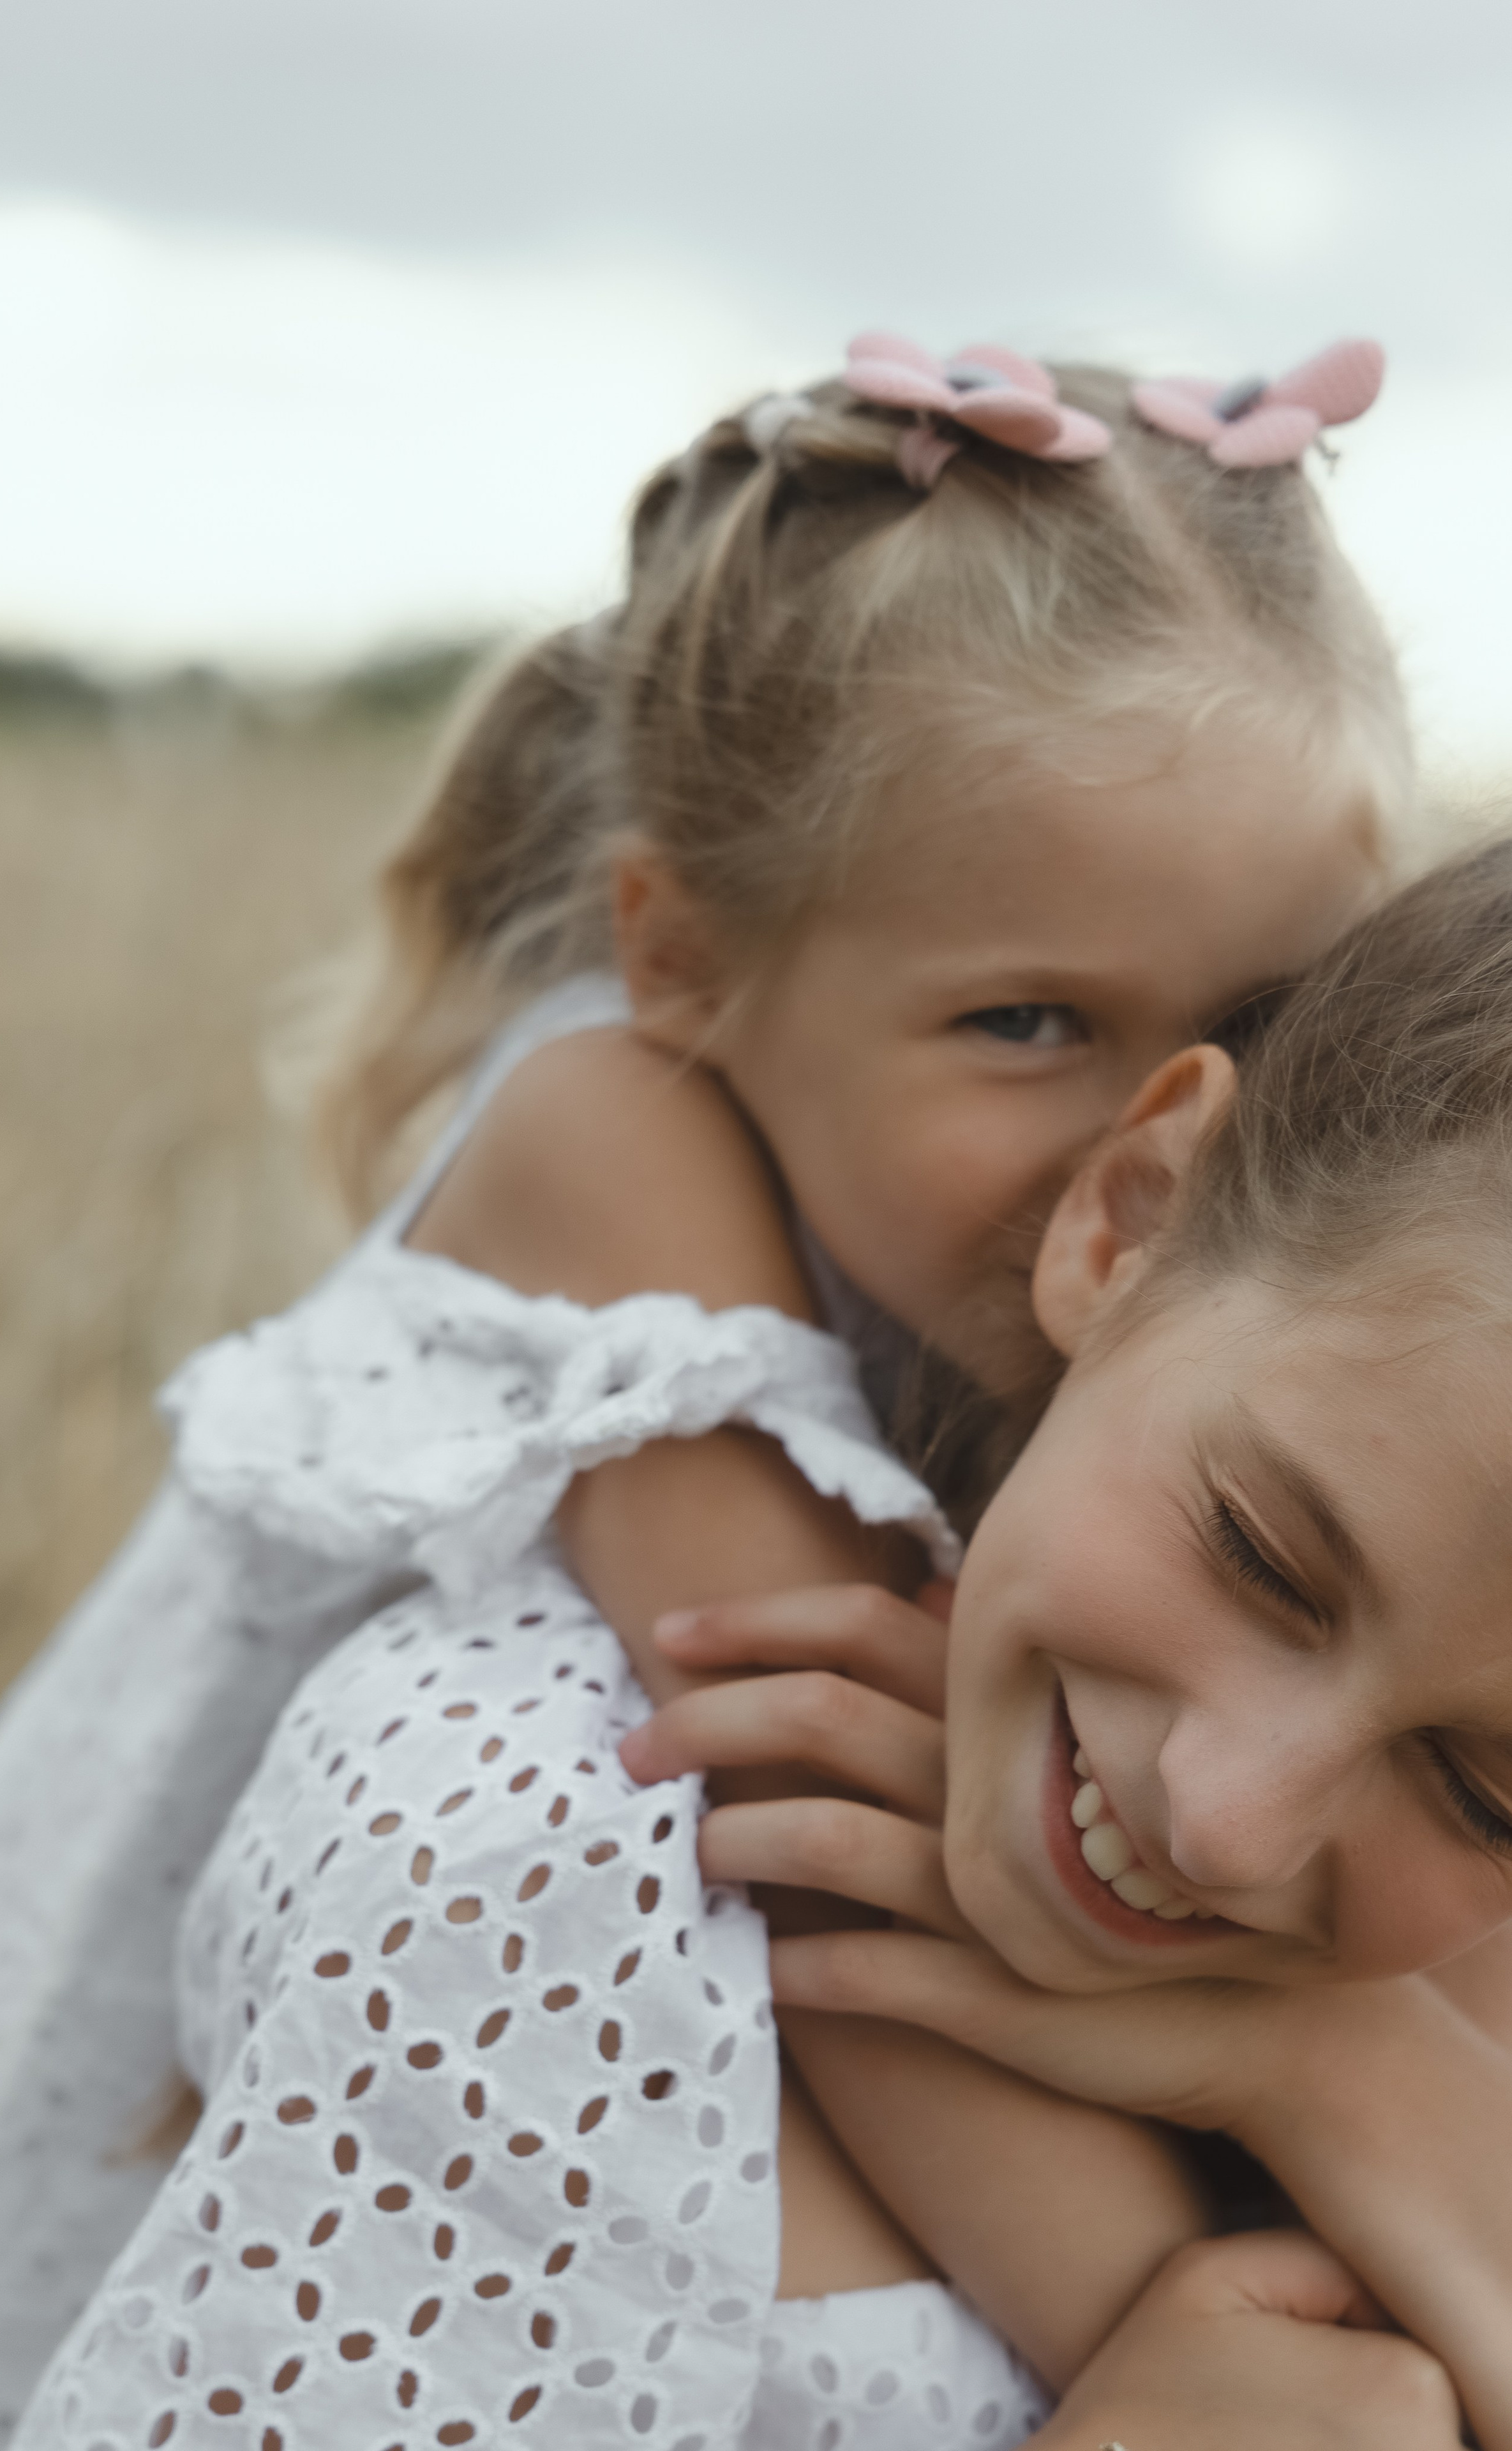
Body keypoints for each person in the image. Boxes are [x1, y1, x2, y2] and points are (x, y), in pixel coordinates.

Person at [0, 332, 1400, 2448]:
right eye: (1026, 1023)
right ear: (681, 953)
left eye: (1256, 1017)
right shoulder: (605, 1126)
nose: (1157, 1136)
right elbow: (810, 1799)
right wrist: (1173, 2327)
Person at [631, 839, 1512, 2451]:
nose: (1225, 1824)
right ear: (1130, 1220)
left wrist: (1341, 2069)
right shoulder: (561, 1869)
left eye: (1480, 1797)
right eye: (1260, 1560)